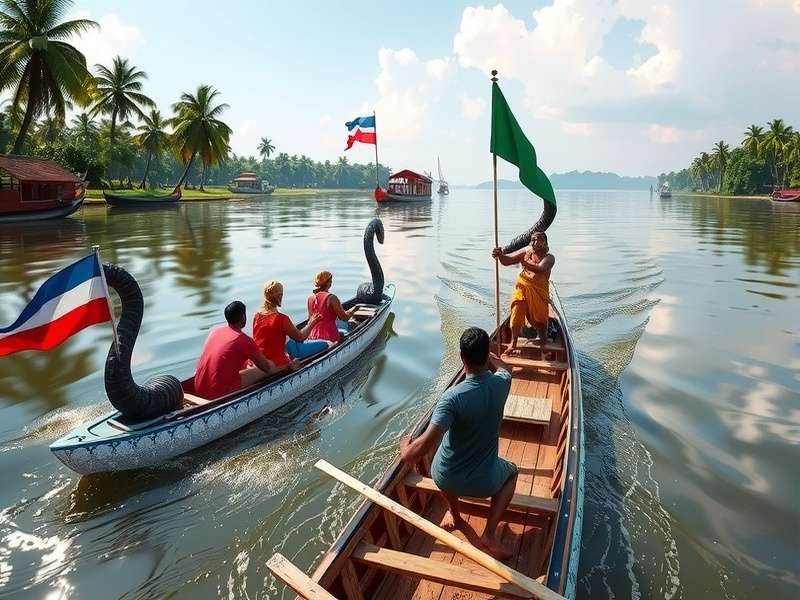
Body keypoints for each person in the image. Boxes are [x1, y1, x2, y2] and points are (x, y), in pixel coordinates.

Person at [399, 327, 517, 559]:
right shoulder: (503, 383)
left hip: (445, 477)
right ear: (487, 355)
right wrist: (493, 359)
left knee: (441, 453)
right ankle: (489, 534)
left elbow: (414, 453)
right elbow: (506, 369)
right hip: (484, 484)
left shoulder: (452, 398)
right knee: (512, 472)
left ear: (462, 357)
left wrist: (405, 446)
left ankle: (455, 513)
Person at [194, 300, 287, 400]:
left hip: (198, 388)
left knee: (245, 364)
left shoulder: (215, 331)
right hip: (219, 393)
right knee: (268, 366)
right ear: (243, 317)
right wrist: (287, 367)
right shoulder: (243, 339)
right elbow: (267, 368)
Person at [492, 231, 555, 359]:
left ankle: (543, 343)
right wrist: (500, 255)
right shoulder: (526, 253)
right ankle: (513, 343)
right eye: (533, 240)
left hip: (539, 291)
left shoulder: (549, 258)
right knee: (517, 308)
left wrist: (523, 262)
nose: (535, 242)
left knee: (541, 319)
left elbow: (540, 269)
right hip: (522, 287)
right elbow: (508, 261)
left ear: (545, 243)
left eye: (539, 240)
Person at [253, 281, 330, 366]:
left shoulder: (257, 316)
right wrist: (313, 322)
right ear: (279, 296)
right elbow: (301, 337)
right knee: (327, 343)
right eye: (281, 294)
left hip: (262, 358)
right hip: (283, 357)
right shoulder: (281, 318)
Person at [306, 271, 357, 343]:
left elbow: (310, 319)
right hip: (329, 336)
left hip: (312, 336)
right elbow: (344, 317)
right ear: (328, 283)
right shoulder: (332, 298)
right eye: (331, 280)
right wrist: (353, 311)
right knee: (354, 325)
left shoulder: (310, 298)